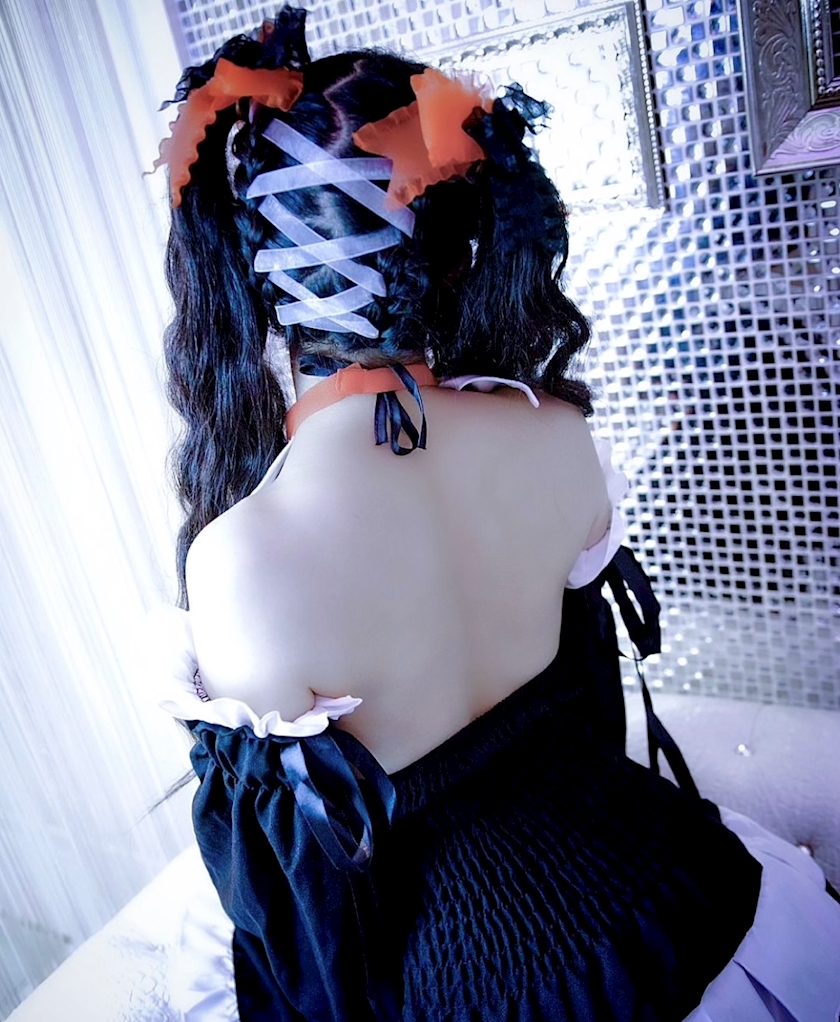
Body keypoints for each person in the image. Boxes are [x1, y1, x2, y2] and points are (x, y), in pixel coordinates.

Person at [151, 8, 840, 1021]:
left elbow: (309, 913)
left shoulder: (240, 559)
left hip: (475, 982)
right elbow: (591, 711)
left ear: (252, 277)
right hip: (687, 891)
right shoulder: (553, 434)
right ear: (452, 243)